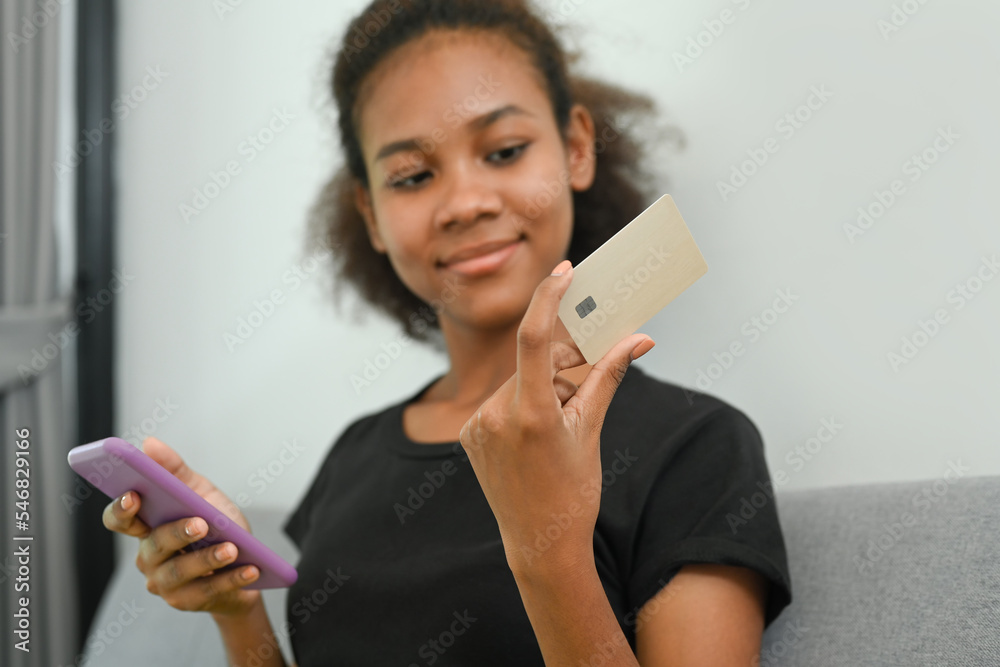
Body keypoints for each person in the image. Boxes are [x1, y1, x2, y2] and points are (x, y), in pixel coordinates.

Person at [102, 0, 792, 665]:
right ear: (370, 214)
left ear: (577, 147)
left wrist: (544, 546)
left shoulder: (695, 445)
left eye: (504, 150)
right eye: (412, 176)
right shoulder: (353, 457)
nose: (465, 202)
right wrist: (237, 604)